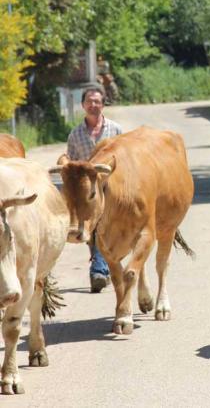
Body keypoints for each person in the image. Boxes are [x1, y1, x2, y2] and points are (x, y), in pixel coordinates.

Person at [66, 86, 123, 293]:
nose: (93, 105)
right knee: (91, 230)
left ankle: (98, 269)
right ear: (83, 105)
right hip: (87, 193)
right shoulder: (75, 135)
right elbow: (71, 164)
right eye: (89, 101)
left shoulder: (115, 130)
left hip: (110, 188)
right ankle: (102, 265)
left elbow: (123, 159)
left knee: (102, 227)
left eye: (97, 101)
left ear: (103, 104)